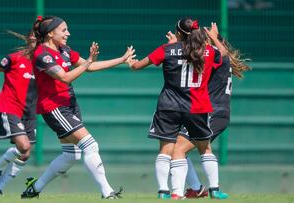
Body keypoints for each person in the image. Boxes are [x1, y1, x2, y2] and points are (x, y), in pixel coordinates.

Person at [20, 16, 135, 199]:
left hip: (70, 105)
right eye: (64, 30)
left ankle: (34, 189)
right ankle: (107, 193)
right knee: (90, 145)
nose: (68, 33)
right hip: (54, 107)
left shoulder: (64, 50)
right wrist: (88, 61)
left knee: (71, 155)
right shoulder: (42, 55)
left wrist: (121, 59)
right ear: (51, 33)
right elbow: (65, 77)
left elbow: (88, 67)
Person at [126, 18, 226, 199]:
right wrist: (214, 37)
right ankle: (215, 190)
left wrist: (130, 61)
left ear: (179, 33)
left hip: (168, 107)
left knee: (166, 150)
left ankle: (168, 192)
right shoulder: (209, 51)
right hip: (197, 107)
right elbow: (224, 54)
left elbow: (136, 66)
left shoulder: (166, 50)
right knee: (206, 149)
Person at [175, 23, 251, 199]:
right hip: (218, 113)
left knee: (176, 148)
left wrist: (177, 45)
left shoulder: (217, 58)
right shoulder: (220, 59)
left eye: (204, 40)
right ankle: (209, 189)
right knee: (199, 148)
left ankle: (198, 188)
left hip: (212, 112)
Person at [0, 31, 37, 195]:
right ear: (28, 38)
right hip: (10, 107)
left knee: (26, 153)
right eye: (32, 35)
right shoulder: (14, 58)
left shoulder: (45, 64)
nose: (34, 38)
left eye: (38, 35)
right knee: (23, 146)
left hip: (30, 112)